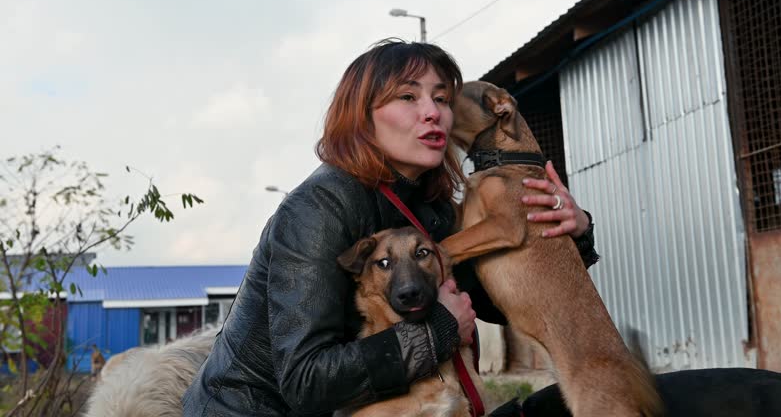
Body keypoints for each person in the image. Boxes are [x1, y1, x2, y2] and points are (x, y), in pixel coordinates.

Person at [182, 39, 600, 416]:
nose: (432, 112)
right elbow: (307, 381)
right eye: (407, 96)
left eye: (441, 98)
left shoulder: (431, 208)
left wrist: (568, 234)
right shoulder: (318, 210)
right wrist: (440, 329)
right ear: (362, 118)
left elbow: (490, 302)